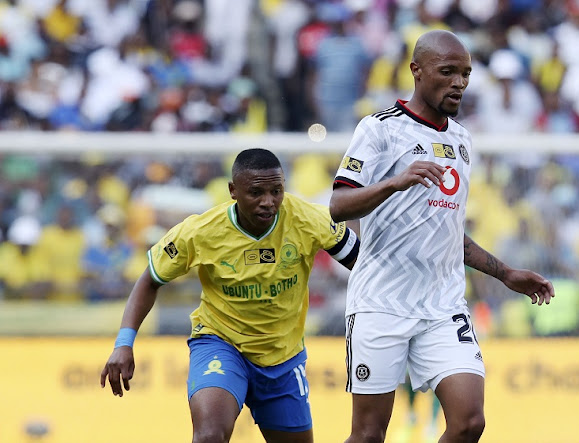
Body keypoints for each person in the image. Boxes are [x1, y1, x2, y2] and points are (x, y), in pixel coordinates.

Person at [329, 30, 555, 443]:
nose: (459, 83)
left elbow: (449, 230)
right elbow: (339, 206)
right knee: (367, 435)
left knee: (470, 423)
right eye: (448, 71)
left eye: (466, 74)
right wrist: (395, 184)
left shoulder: (462, 141)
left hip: (442, 304)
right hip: (382, 302)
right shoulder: (379, 129)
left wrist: (505, 274)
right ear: (416, 71)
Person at [101, 148, 360, 443]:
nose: (268, 202)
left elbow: (363, 265)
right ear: (233, 191)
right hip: (221, 343)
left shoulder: (309, 219)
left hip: (282, 358)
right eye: (256, 193)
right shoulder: (201, 232)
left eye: (277, 191)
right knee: (210, 435)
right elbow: (150, 279)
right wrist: (124, 343)